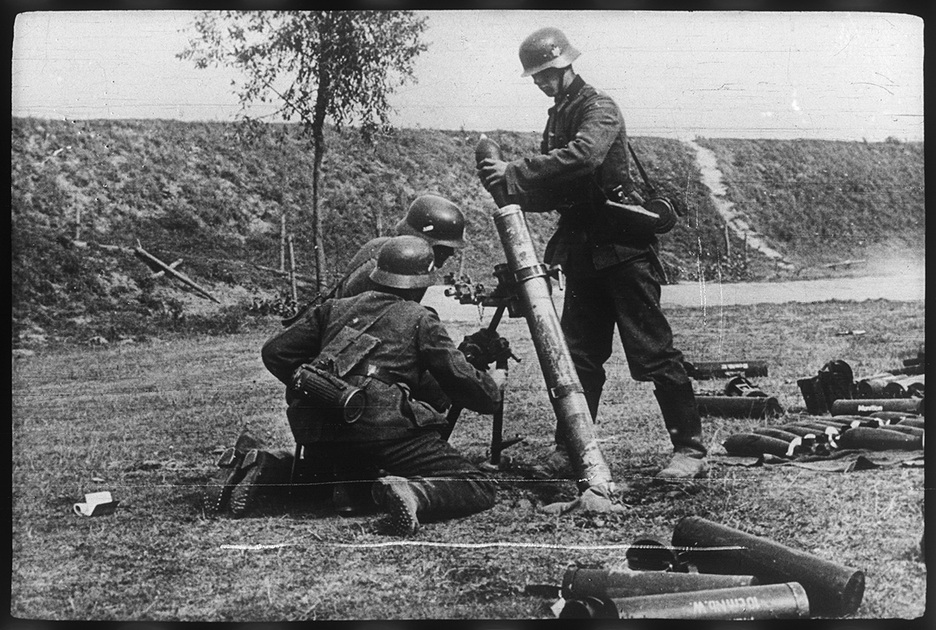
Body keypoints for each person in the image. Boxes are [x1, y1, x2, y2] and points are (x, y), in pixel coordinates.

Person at [477, 27, 707, 479]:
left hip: (624, 251)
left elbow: (583, 158)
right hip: (584, 254)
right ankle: (571, 449)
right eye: (536, 77)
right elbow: (567, 187)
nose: (542, 82)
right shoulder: (559, 115)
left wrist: (515, 170)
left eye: (548, 73)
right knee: (580, 355)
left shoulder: (598, 108)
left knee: (653, 354)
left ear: (567, 66)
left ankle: (691, 451)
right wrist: (515, 194)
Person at [260, 235, 507, 536]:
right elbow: (470, 388)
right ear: (422, 282)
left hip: (317, 428)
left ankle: (266, 469)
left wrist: (323, 388)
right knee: (477, 485)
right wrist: (492, 385)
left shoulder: (334, 308)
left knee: (342, 479)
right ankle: (414, 494)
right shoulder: (420, 317)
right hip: (378, 431)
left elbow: (275, 352)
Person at [333, 193, 466, 299]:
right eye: (444, 247)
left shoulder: (380, 246)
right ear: (423, 240)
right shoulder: (402, 267)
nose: (450, 253)